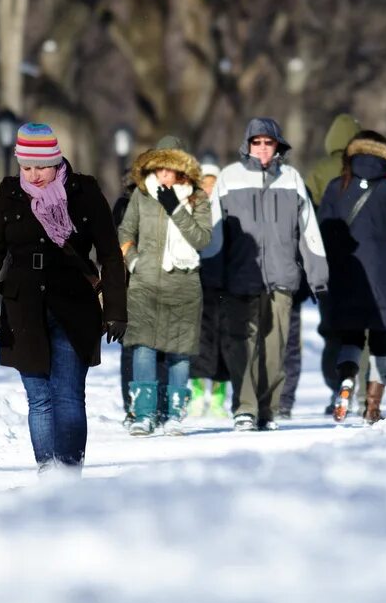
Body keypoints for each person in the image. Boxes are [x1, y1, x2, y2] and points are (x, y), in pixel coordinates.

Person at [0, 123, 126, 471]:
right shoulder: (10, 193)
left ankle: (69, 472)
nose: (34, 175)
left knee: (68, 395)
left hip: (73, 303)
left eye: (40, 166)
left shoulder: (84, 190)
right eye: (26, 167)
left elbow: (110, 254)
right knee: (39, 397)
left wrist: (116, 309)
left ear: (55, 160)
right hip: (23, 305)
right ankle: (48, 472)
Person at [201, 117, 328, 431]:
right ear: (247, 145)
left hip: (281, 279)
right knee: (241, 344)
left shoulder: (292, 180)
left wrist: (318, 275)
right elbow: (214, 232)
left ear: (277, 145)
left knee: (275, 348)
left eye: (267, 142)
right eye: (256, 142)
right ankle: (244, 407)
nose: (261, 148)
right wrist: (211, 275)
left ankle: (267, 409)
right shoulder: (229, 179)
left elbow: (309, 230)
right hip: (239, 277)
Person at [319, 131, 386, 424]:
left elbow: (323, 236)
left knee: (350, 336)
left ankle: (347, 379)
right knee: (379, 342)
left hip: (346, 275)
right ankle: (372, 407)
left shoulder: (337, 187)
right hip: (384, 277)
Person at [117, 140, 211, 435]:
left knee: (179, 353)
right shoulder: (142, 196)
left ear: (181, 169)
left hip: (183, 284)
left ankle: (173, 415)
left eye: (168, 168)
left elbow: (202, 240)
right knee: (143, 348)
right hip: (145, 283)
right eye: (158, 167)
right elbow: (124, 230)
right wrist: (134, 262)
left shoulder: (197, 199)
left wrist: (175, 208)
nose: (162, 174)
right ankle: (143, 414)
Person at [305, 114, 363, 414]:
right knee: (359, 326)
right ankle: (357, 383)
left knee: (331, 327)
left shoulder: (318, 172)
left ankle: (335, 387)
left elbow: (306, 214)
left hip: (326, 260)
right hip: (362, 261)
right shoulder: (366, 169)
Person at [189, 160, 231, 419]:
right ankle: (195, 393)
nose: (208, 188)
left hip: (225, 284)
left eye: (213, 183)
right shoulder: (191, 209)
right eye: (204, 183)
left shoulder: (229, 210)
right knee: (197, 342)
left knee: (223, 343)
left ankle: (218, 397)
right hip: (197, 281)